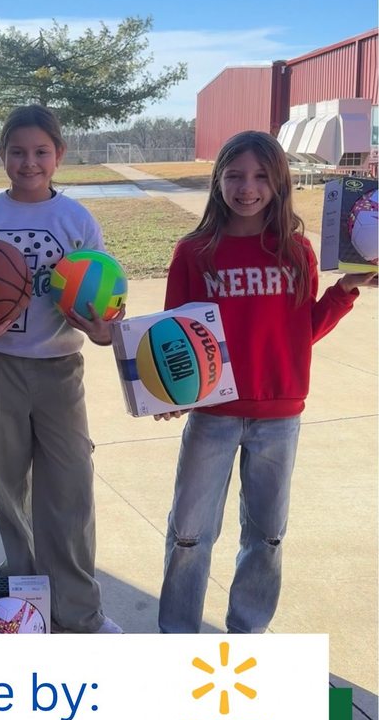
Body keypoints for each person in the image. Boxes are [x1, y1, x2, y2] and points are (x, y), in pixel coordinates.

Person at [156, 130, 377, 634]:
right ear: (219, 181)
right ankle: (177, 635)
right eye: (234, 175)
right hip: (213, 414)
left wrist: (345, 290)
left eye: (260, 176)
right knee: (190, 533)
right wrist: (169, 391)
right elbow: (175, 336)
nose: (247, 187)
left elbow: (301, 333)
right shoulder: (194, 252)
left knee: (268, 534)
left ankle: (248, 632)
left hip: (279, 416)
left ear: (279, 183)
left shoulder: (296, 250)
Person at [0, 104, 123, 634]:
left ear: (59, 155)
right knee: (8, 483)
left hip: (60, 367)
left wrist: (103, 328)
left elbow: (105, 297)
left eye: (41, 151)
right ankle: (24, 599)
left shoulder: (76, 220)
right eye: (17, 152)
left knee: (69, 489)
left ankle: (81, 611)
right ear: (2, 156)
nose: (29, 162)